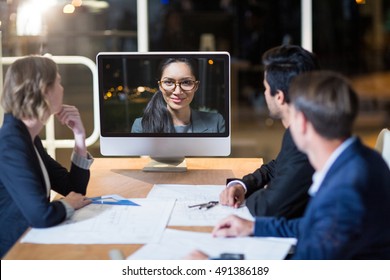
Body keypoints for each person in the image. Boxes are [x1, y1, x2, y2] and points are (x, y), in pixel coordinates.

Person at [194, 71, 390, 259]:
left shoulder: (344, 191)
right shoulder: (363, 158)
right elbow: (314, 226)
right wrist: (254, 227)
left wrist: (209, 267)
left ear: (302, 122)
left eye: (291, 115)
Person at [0, 55, 94, 258]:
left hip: (32, 241)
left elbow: (74, 190)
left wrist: (79, 136)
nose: (62, 88)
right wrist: (68, 204)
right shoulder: (10, 144)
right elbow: (41, 216)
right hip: (14, 254)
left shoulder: (28, 138)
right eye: (58, 82)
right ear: (45, 91)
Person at [220, 45, 319, 219]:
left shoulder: (307, 142)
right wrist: (243, 186)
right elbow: (277, 166)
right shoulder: (302, 128)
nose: (265, 93)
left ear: (279, 97)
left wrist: (265, 192)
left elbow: (267, 208)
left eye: (266, 88)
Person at [131, 57, 225, 133]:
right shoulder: (141, 126)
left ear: (196, 86)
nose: (177, 91)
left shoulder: (216, 122)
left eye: (186, 82)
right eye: (168, 82)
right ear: (160, 86)